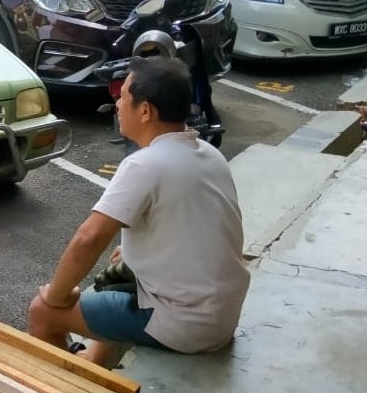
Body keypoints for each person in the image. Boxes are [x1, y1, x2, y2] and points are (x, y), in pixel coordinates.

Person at [28, 56, 249, 368]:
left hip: (184, 324)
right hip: (220, 314)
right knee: (118, 272)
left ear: (145, 111)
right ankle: (93, 366)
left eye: (124, 95)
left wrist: (56, 296)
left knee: (42, 312)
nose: (117, 103)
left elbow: (88, 239)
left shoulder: (146, 164)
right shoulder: (209, 154)